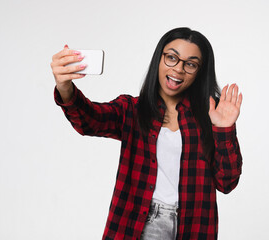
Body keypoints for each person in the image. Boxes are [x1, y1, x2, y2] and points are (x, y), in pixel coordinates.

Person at [51, 27, 242, 240]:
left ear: (199, 71)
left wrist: (224, 129)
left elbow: (227, 183)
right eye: (171, 57)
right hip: (143, 223)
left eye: (190, 64)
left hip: (194, 226)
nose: (178, 69)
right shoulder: (131, 110)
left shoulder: (210, 115)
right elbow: (88, 120)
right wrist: (65, 86)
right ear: (159, 60)